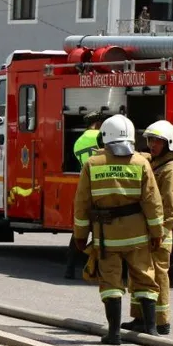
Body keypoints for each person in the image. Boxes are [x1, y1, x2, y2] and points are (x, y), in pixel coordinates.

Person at [73, 114, 166, 344]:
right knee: (145, 278)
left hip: (107, 237)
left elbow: (82, 203)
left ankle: (114, 333)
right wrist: (157, 234)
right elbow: (153, 203)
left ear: (104, 136)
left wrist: (80, 236)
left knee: (111, 284)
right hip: (138, 235)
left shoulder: (92, 164)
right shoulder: (141, 163)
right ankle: (152, 330)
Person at [122, 120, 173, 336]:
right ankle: (140, 317)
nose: (152, 145)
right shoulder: (157, 163)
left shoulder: (171, 171)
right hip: (146, 232)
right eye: (150, 140)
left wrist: (158, 233)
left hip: (159, 235)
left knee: (157, 276)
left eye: (157, 141)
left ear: (169, 143)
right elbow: (142, 157)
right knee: (140, 275)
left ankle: (161, 321)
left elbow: (171, 208)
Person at [65, 111, 107, 279]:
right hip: (102, 185)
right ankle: (100, 268)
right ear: (97, 123)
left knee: (80, 230)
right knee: (103, 230)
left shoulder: (78, 141)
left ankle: (69, 268)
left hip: (86, 186)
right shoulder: (100, 136)